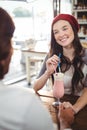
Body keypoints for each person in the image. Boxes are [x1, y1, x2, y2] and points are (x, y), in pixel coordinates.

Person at [33, 13, 87, 130]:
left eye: (64, 28)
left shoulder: (86, 55)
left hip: (81, 105)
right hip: (57, 104)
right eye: (56, 32)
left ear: (74, 29)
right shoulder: (52, 56)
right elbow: (35, 87)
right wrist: (48, 73)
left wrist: (74, 109)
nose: (61, 34)